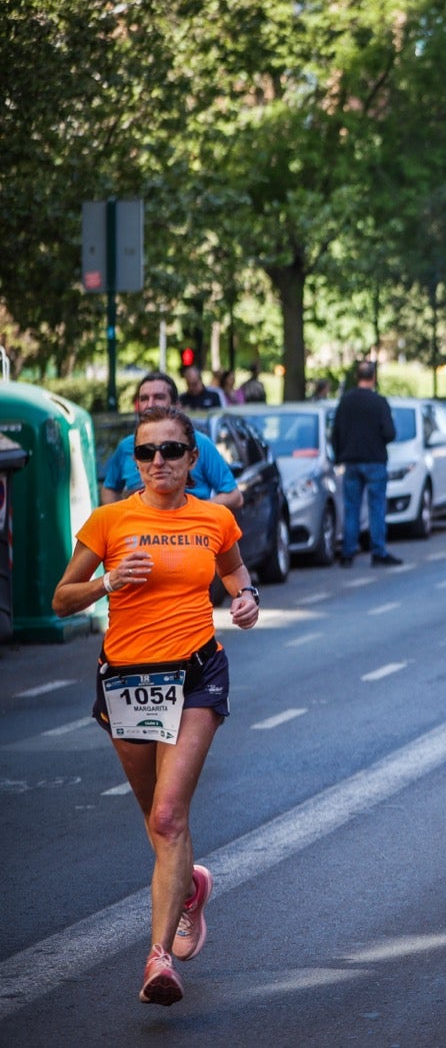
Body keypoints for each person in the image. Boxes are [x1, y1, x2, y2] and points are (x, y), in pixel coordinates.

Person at [51, 405, 260, 1006]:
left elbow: (237, 576)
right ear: (135, 460)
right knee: (157, 823)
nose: (159, 462)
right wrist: (108, 584)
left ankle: (159, 957)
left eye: (171, 450)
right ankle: (191, 886)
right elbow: (62, 600)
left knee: (169, 817)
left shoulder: (214, 518)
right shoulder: (110, 521)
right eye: (146, 452)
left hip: (196, 675)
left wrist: (246, 601)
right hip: (126, 683)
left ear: (193, 458)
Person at [101, 372, 242, 512]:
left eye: (159, 397)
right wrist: (121, 518)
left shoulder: (200, 443)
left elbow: (234, 496)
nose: (150, 404)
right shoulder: (127, 446)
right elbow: (109, 488)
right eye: (144, 398)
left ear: (176, 405)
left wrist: (195, 512)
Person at [332, 360, 401, 568]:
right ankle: (378, 552)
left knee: (351, 507)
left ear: (357, 377)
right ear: (374, 377)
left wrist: (340, 455)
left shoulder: (346, 401)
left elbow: (335, 433)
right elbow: (389, 433)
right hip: (375, 461)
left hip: (351, 461)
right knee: (376, 507)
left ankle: (348, 552)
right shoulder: (379, 402)